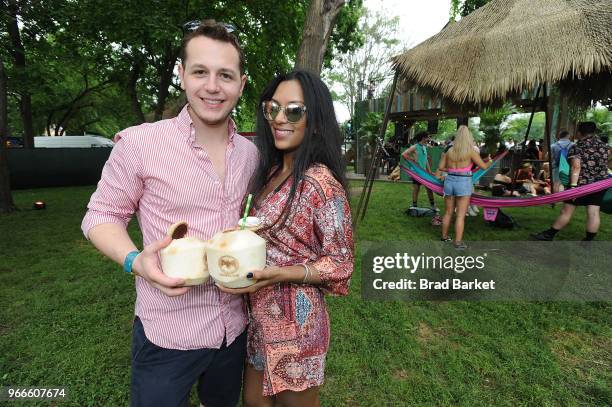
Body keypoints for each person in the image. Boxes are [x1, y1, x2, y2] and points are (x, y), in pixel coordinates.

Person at [81, 20, 258, 407]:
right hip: (168, 332)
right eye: (200, 72)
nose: (212, 86)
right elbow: (98, 216)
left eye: (225, 75)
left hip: (233, 328)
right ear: (181, 76)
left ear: (241, 84)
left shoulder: (251, 154)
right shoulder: (140, 144)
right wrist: (134, 261)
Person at [217, 70, 354, 406]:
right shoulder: (269, 173)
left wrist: (282, 273)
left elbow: (341, 263)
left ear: (317, 122)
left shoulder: (321, 184)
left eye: (293, 111)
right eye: (272, 108)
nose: (279, 118)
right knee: (253, 401)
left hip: (297, 324)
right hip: (259, 318)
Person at [533, 122, 609, 241]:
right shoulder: (604, 146)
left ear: (579, 132)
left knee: (566, 210)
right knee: (593, 212)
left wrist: (573, 188)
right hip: (599, 185)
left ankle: (549, 234)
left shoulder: (578, 146)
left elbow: (575, 167)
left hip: (581, 184)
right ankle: (588, 240)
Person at [435, 125, 491, 249]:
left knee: (448, 212)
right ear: (468, 137)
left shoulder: (450, 150)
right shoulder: (470, 151)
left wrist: (452, 170)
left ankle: (444, 237)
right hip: (464, 182)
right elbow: (484, 167)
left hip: (449, 181)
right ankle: (458, 243)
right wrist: (489, 161)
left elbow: (440, 167)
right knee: (460, 215)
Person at [402, 132, 436, 210]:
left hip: (424, 172)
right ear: (423, 138)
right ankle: (414, 206)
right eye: (428, 137)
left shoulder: (424, 147)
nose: (429, 139)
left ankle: (433, 205)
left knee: (429, 187)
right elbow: (404, 154)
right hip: (416, 172)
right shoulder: (414, 147)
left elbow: (426, 160)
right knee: (416, 188)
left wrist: (429, 172)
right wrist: (412, 160)